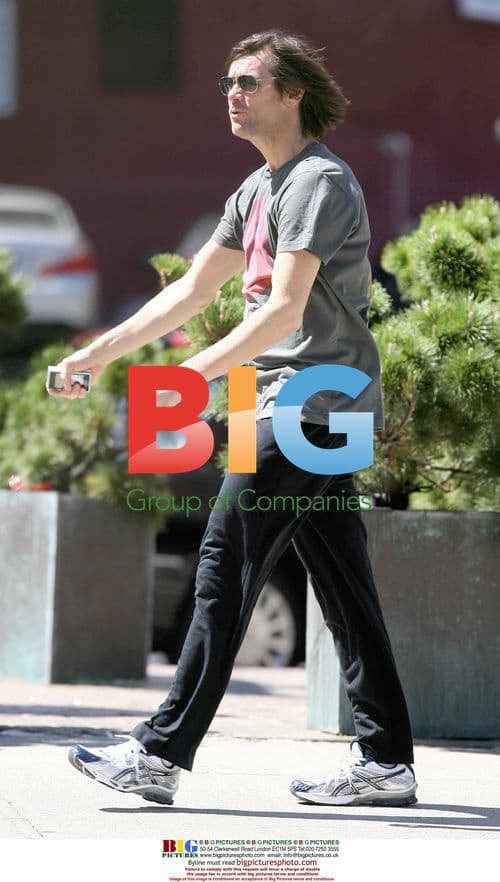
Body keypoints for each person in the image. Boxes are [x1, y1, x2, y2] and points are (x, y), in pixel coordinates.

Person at [48, 30, 417, 808]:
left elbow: (284, 310)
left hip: (312, 400)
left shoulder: (320, 180)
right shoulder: (254, 194)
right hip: (282, 403)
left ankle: (159, 752)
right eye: (227, 81)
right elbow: (185, 294)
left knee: (222, 569)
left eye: (249, 81)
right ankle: (386, 761)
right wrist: (101, 355)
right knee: (344, 586)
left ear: (294, 95)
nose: (232, 92)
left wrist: (187, 374)